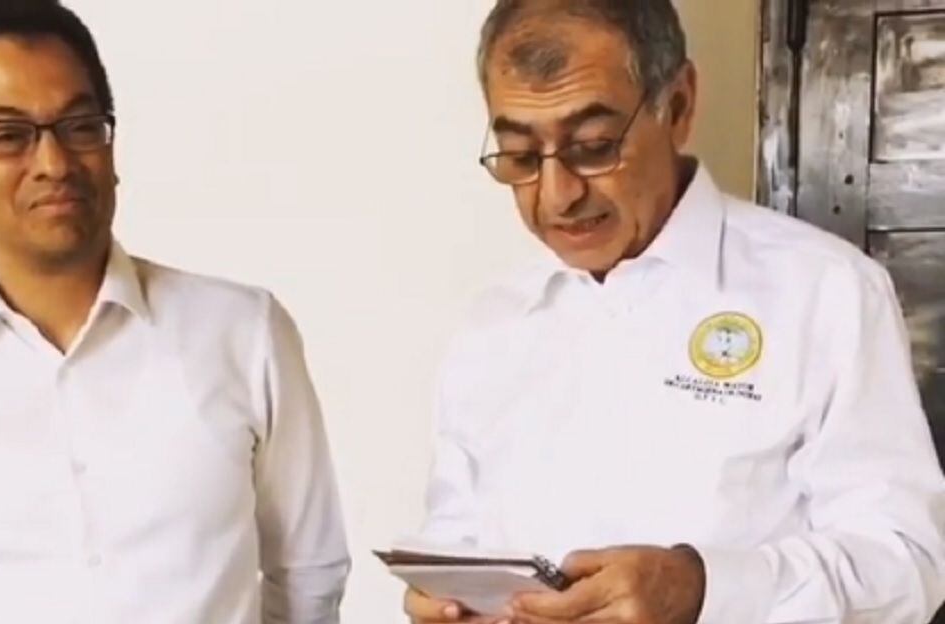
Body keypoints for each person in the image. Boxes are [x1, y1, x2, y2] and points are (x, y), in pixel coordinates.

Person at [404, 1, 945, 623]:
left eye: (594, 147)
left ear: (679, 106)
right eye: (522, 157)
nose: (557, 196)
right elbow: (456, 539)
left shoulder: (826, 292)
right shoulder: (494, 323)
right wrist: (444, 600)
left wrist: (702, 589)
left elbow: (907, 564)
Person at [0, 1, 349, 622]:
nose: (54, 164)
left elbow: (308, 575)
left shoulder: (244, 332)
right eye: (8, 135)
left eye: (80, 126)